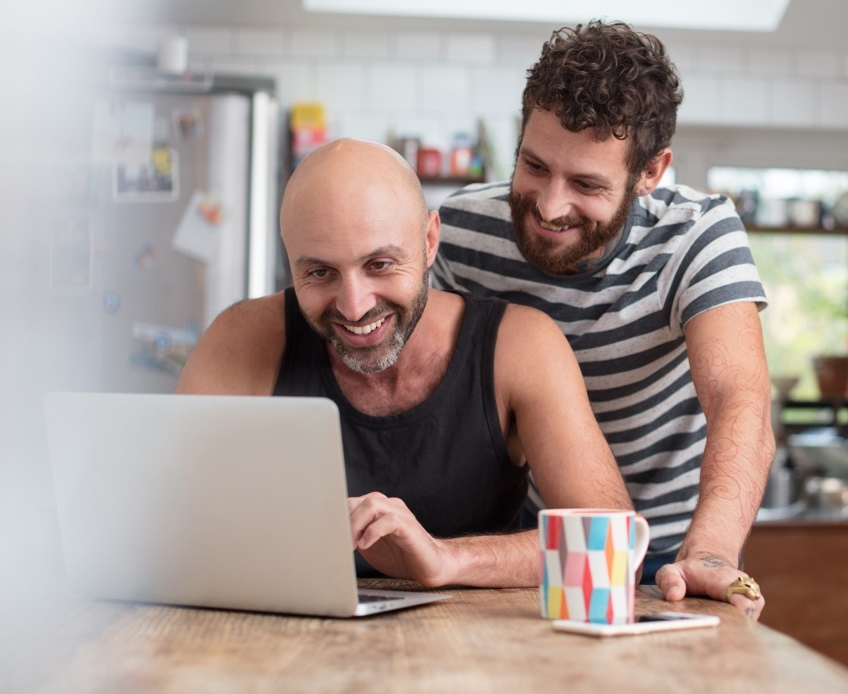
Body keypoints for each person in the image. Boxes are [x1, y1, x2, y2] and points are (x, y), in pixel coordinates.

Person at [432, 20, 775, 618]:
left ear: (651, 172)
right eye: (534, 165)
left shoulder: (697, 235)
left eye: (586, 183)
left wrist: (713, 553)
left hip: (672, 554)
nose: (548, 205)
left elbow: (738, 399)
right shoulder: (461, 233)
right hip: (526, 546)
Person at [176, 137, 631, 589]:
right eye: (319, 273)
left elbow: (614, 547)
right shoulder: (241, 340)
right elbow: (163, 521)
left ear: (430, 240)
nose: (353, 307)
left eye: (379, 264)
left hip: (479, 650)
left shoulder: (520, 346)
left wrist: (448, 560)